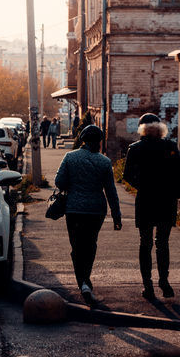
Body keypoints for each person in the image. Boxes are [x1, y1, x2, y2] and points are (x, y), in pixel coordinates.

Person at [54, 124, 122, 308]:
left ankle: (83, 283)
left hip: (74, 209)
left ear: (83, 140)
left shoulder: (70, 157)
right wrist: (117, 216)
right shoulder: (104, 162)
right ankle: (85, 280)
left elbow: (59, 182)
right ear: (99, 142)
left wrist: (72, 185)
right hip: (95, 211)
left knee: (76, 247)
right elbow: (111, 191)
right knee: (90, 245)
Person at [122, 112, 180, 301]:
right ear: (160, 128)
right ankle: (164, 283)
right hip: (166, 200)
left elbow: (127, 175)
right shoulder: (169, 146)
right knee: (163, 243)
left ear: (141, 129)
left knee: (145, 243)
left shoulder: (135, 148)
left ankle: (148, 285)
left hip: (145, 200)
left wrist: (141, 185)